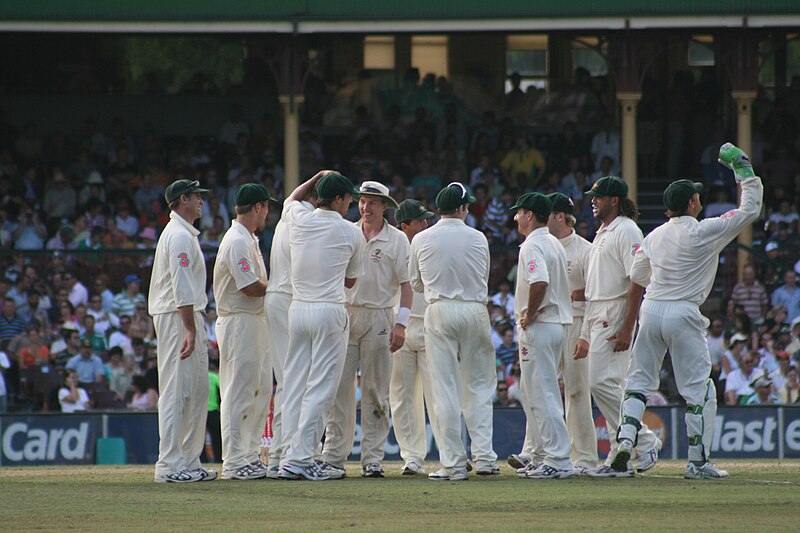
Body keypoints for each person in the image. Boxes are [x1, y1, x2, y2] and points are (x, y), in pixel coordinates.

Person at [609, 142, 763, 480]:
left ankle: (624, 441)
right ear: (692, 204)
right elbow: (749, 211)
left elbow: (638, 277)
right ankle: (697, 462)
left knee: (637, 383)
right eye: (697, 197)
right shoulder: (704, 230)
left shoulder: (653, 236)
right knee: (699, 391)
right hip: (683, 312)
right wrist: (743, 169)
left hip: (651, 309)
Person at [279, 171, 365, 481]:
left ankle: (288, 456)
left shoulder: (299, 218)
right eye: (348, 199)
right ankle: (301, 459)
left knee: (295, 385)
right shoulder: (351, 232)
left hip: (298, 309)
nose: (350, 205)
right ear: (339, 199)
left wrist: (316, 177)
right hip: (329, 310)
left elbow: (291, 198)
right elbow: (352, 279)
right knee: (321, 389)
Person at [409, 182, 498, 481]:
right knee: (479, 385)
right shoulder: (478, 237)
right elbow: (483, 276)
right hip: (474, 308)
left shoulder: (421, 239)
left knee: (444, 388)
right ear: (461, 208)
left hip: (439, 309)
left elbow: (416, 284)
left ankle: (454, 464)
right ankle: (484, 458)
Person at [322, 181, 411, 479]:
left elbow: (407, 286)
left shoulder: (397, 239)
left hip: (380, 317)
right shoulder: (346, 232)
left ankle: (372, 458)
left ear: (385, 206)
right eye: (362, 201)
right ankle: (334, 456)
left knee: (376, 389)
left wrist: (401, 322)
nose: (366, 207)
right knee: (339, 390)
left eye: (373, 202)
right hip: (346, 314)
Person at [575, 176, 662, 477]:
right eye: (593, 197)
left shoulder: (626, 230)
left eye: (599, 198)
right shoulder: (602, 232)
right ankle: (617, 454)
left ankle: (645, 439)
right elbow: (594, 289)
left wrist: (628, 326)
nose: (593, 202)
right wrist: (585, 333)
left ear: (614, 200)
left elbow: (637, 278)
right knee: (609, 384)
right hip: (599, 310)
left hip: (615, 311)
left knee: (602, 382)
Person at [149, 179, 215, 484]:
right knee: (176, 390)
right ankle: (169, 465)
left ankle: (189, 460)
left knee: (198, 390)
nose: (201, 201)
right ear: (182, 200)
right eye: (196, 197)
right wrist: (189, 328)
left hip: (189, 315)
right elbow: (181, 286)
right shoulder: (176, 235)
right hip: (176, 316)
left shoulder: (185, 233)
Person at [509, 192, 574, 479]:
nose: (515, 217)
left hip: (541, 324)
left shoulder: (531, 246)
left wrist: (531, 313)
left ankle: (558, 458)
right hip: (556, 325)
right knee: (538, 392)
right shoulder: (554, 243)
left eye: (519, 212)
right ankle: (545, 455)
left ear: (530, 215)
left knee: (542, 393)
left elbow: (540, 282)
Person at [213, 183, 274, 481]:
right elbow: (249, 287)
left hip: (255, 321)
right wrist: (280, 289)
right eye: (266, 207)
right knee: (238, 391)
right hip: (239, 321)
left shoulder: (248, 238)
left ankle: (249, 455)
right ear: (259, 206)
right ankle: (234, 461)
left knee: (260, 389)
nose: (267, 214)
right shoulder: (236, 240)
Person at [543, 192, 598, 474]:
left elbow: (591, 296)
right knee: (541, 390)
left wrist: (585, 335)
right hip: (549, 324)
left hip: (575, 324)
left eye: (548, 215)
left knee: (577, 391)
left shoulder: (584, 250)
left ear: (560, 217)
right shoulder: (541, 245)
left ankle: (586, 458)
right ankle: (541, 454)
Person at [388, 199, 436, 476]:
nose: (426, 224)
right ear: (404, 225)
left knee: (437, 393)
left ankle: (451, 451)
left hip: (430, 323)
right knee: (403, 394)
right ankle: (412, 457)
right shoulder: (394, 245)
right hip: (400, 326)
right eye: (420, 221)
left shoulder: (431, 243)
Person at [264, 216, 293, 479]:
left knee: (287, 382)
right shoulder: (307, 222)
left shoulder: (287, 217)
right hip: (290, 300)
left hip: (277, 299)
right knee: (293, 383)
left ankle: (278, 457)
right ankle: (286, 456)